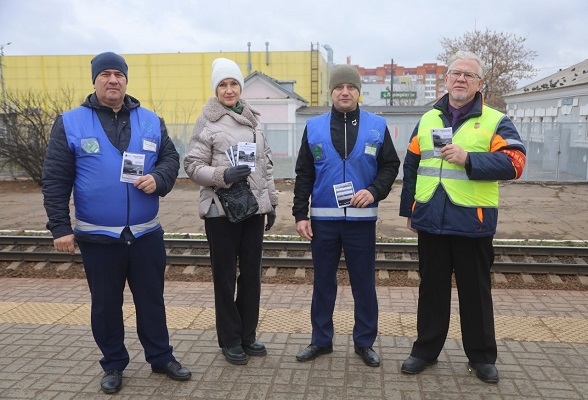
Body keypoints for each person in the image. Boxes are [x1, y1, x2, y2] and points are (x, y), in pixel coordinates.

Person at [42, 52, 191, 394]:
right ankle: (113, 364)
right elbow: (55, 179)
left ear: (126, 79)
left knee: (152, 300)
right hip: (98, 238)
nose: (113, 80)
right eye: (106, 74)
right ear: (95, 80)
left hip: (146, 234)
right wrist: (60, 227)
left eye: (118, 74)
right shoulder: (71, 122)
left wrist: (160, 177)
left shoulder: (151, 120)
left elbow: (170, 157)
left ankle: (161, 357)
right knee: (106, 305)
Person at [399, 51, 527, 383]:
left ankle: (482, 357)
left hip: (473, 221)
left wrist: (469, 158)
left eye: (469, 76)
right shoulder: (427, 119)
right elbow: (412, 166)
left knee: (476, 293)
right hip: (430, 218)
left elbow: (514, 163)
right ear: (446, 78)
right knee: (432, 292)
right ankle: (425, 351)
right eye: (456, 73)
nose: (461, 79)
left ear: (479, 83)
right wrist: (408, 210)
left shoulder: (496, 120)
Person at [292, 64, 400, 367]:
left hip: (361, 222)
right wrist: (301, 213)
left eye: (351, 87)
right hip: (323, 221)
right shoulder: (313, 127)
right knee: (323, 283)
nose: (344, 92)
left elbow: (391, 166)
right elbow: (303, 173)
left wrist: (374, 191)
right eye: (339, 87)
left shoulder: (377, 126)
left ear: (358, 92)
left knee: (363, 283)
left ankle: (364, 342)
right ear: (331, 91)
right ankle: (321, 340)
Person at [184, 57, 278, 366]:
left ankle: (247, 334)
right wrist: (222, 176)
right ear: (216, 89)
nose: (229, 89)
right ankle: (230, 339)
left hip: (253, 210)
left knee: (251, 276)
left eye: (233, 83)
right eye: (223, 84)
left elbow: (266, 164)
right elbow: (192, 165)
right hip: (220, 211)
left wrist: (272, 202)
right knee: (225, 278)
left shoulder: (254, 119)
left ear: (240, 87)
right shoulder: (207, 121)